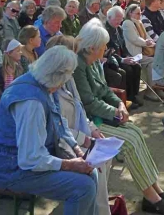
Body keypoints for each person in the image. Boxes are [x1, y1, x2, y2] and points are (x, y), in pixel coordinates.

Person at [73, 19, 164, 214]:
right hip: (88, 124)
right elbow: (88, 103)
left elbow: (104, 90)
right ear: (92, 47)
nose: (106, 49)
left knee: (137, 132)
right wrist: (115, 112)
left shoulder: (94, 61)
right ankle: (151, 197)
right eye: (103, 46)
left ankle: (156, 190)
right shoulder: (79, 65)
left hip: (101, 116)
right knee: (129, 142)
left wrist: (120, 104)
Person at [0, 46, 100, 214]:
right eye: (67, 76)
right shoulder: (31, 102)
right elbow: (30, 159)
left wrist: (77, 149)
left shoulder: (44, 83)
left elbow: (59, 123)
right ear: (57, 74)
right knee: (82, 187)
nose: (68, 81)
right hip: (13, 170)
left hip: (30, 160)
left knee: (91, 174)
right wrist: (69, 164)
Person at [48, 34, 112, 215]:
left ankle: (95, 207)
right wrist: (85, 140)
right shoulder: (49, 84)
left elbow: (80, 108)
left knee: (106, 156)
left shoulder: (69, 79)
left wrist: (93, 129)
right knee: (95, 168)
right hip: (60, 146)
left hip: (78, 139)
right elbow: (57, 127)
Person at [104, 6, 143, 106]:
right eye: (116, 18)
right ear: (109, 17)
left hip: (122, 57)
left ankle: (134, 95)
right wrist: (122, 60)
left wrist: (130, 57)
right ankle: (127, 98)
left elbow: (124, 47)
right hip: (112, 61)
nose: (119, 21)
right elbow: (109, 51)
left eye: (120, 18)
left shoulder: (119, 29)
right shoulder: (105, 30)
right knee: (127, 70)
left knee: (136, 66)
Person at [122, 4, 161, 101]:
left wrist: (152, 42)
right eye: (138, 13)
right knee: (152, 62)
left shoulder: (139, 22)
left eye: (140, 13)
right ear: (130, 13)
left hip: (142, 52)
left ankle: (156, 88)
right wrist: (147, 43)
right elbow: (134, 39)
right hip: (133, 54)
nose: (140, 15)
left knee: (157, 60)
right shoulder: (127, 23)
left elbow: (147, 36)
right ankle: (151, 91)